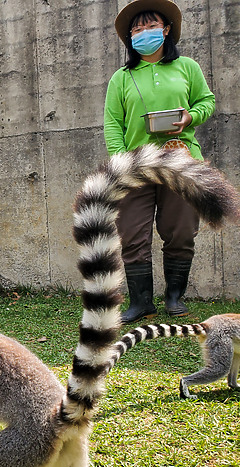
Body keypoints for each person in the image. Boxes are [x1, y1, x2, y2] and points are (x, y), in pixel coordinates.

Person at [104, 0, 215, 323]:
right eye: (136, 30)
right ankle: (141, 303)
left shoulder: (187, 68)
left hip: (181, 162)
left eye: (150, 27)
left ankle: (174, 297)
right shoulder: (121, 78)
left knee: (180, 231)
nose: (143, 33)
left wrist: (190, 116)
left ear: (166, 30)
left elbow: (206, 101)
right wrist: (121, 161)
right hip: (137, 167)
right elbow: (113, 123)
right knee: (132, 234)